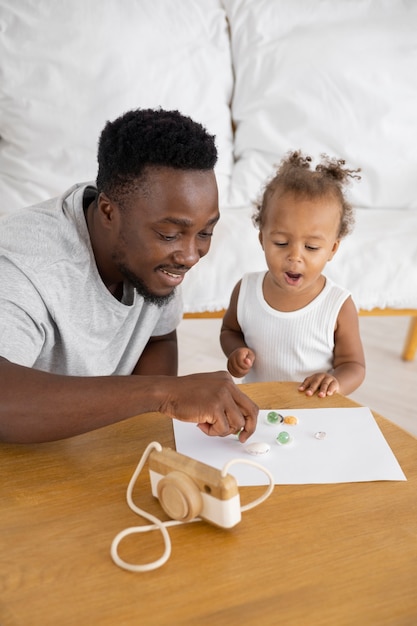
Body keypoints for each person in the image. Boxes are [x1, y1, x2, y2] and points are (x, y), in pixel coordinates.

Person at [0, 108, 258, 443]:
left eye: (205, 233)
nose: (191, 256)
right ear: (108, 211)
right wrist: (165, 395)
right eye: (169, 235)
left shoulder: (154, 252)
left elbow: (158, 336)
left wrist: (142, 433)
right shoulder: (25, 267)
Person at [220, 150, 366, 397]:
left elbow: (354, 366)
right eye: (280, 242)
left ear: (332, 249)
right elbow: (230, 331)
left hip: (314, 411)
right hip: (259, 406)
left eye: (311, 247)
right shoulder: (246, 290)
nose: (295, 256)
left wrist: (334, 382)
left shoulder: (338, 305)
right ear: (262, 239)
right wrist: (235, 352)